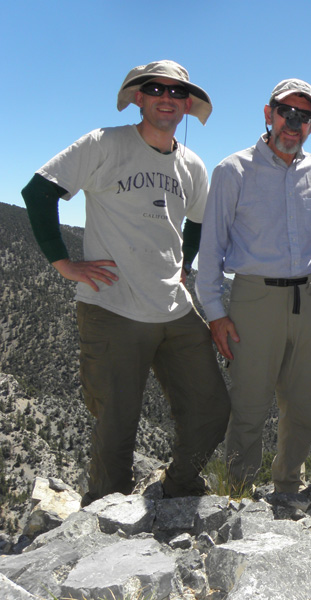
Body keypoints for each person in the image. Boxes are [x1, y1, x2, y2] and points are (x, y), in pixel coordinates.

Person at [20, 60, 231, 506]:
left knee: (211, 407)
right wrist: (63, 262)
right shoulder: (103, 144)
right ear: (138, 97)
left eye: (177, 93)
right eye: (156, 89)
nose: (167, 99)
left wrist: (185, 263)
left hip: (174, 306)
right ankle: (104, 515)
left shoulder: (192, 164)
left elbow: (196, 221)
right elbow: (39, 192)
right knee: (116, 421)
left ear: (187, 105)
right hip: (112, 306)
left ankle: (178, 485)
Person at [196, 79, 311, 494]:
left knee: (303, 404)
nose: (292, 123)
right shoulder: (232, 170)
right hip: (253, 298)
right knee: (249, 404)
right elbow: (211, 248)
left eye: (303, 117)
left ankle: (287, 486)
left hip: (309, 297)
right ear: (268, 113)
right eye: (286, 112)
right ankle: (237, 494)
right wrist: (215, 313)